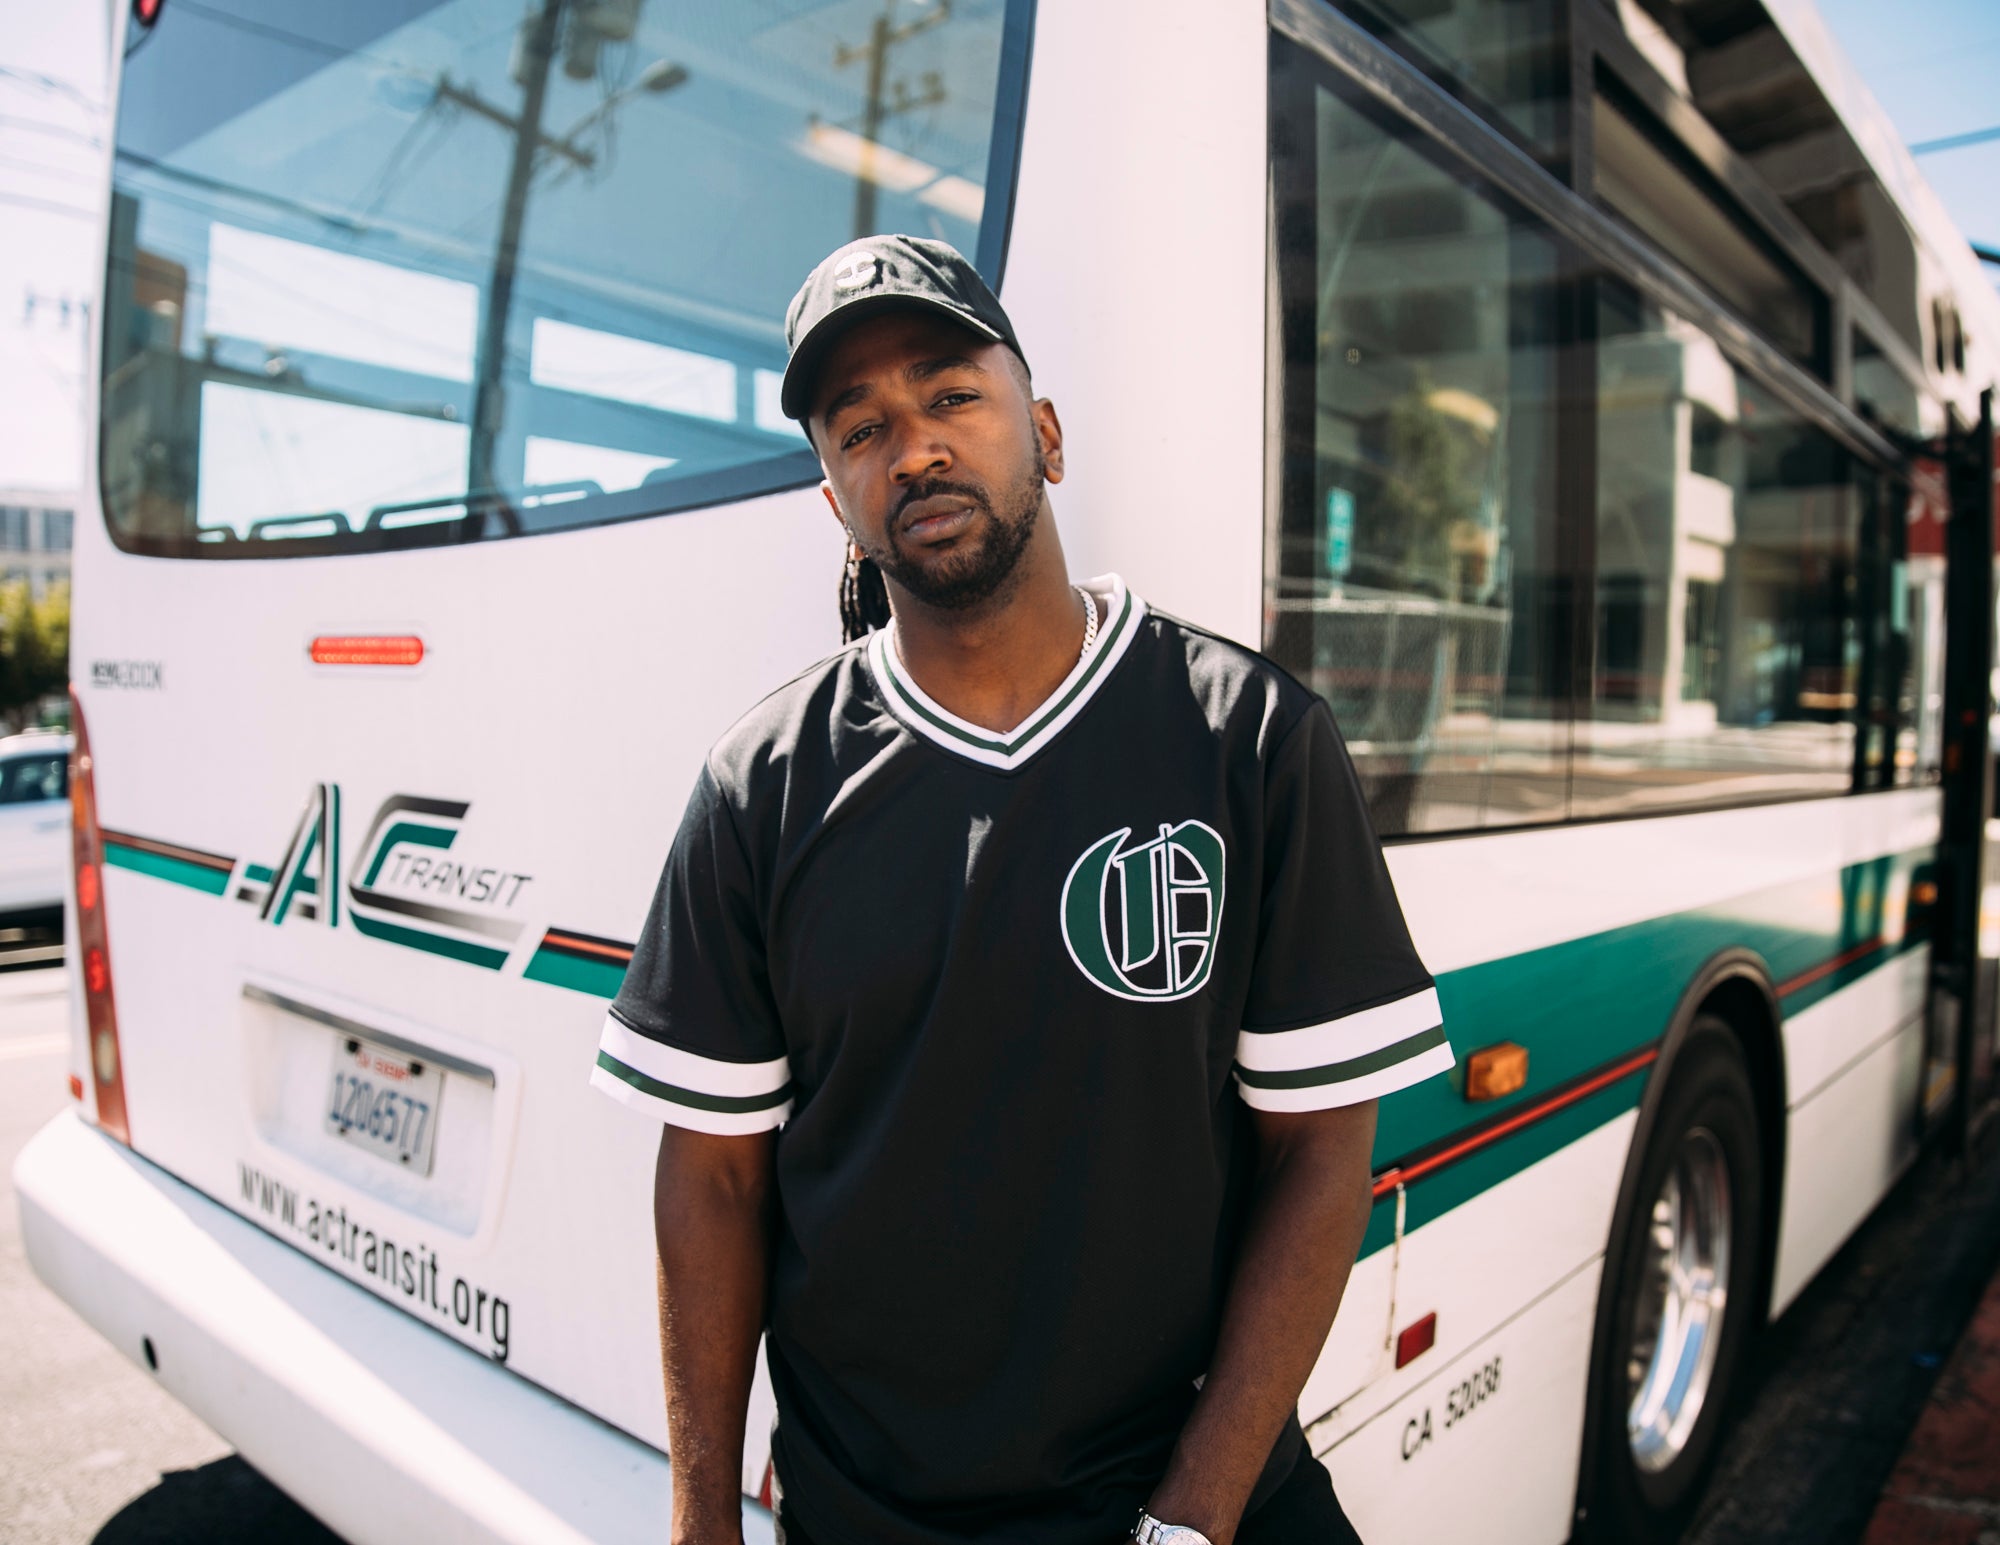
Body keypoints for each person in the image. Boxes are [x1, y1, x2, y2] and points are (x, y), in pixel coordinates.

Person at [590, 235, 1455, 1545]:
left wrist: (1192, 1515)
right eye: (861, 426)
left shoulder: (1251, 738)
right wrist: (703, 1519)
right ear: (835, 497)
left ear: (1043, 433)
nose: (915, 448)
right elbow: (710, 1182)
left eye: (951, 395)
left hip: (1190, 1506)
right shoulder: (758, 787)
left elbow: (1320, 1146)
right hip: (868, 1518)